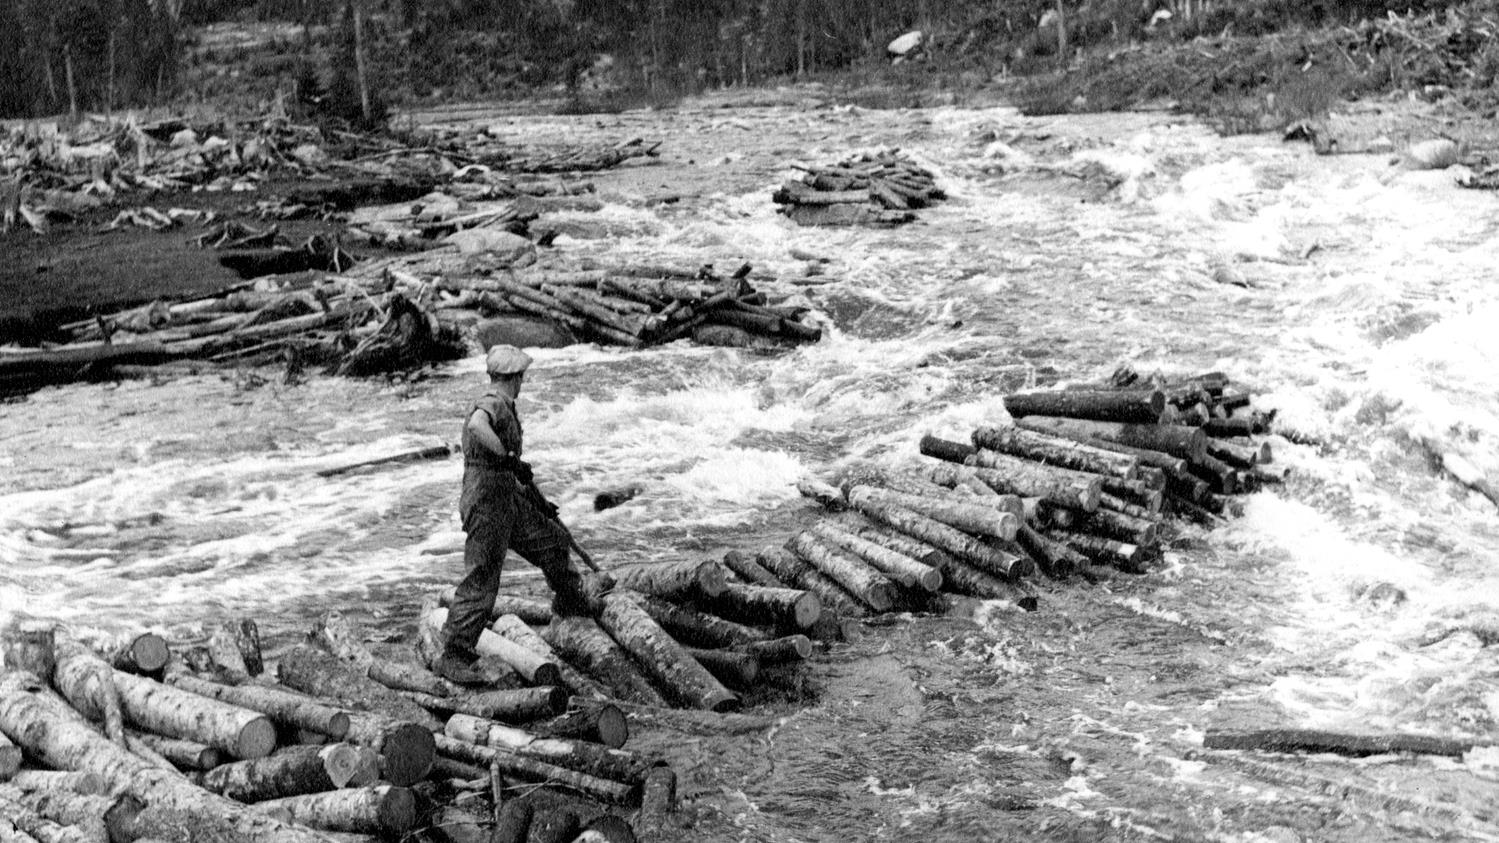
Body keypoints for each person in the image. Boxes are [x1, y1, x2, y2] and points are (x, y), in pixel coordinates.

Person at [435, 345, 595, 686]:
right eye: (521, 377)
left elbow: (511, 471)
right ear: (514, 378)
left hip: (508, 495)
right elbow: (479, 426)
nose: (523, 382)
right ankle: (454, 653)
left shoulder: (506, 405)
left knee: (552, 539)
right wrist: (507, 458)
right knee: (482, 578)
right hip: (486, 501)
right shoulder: (493, 402)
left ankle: (570, 602)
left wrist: (538, 502)